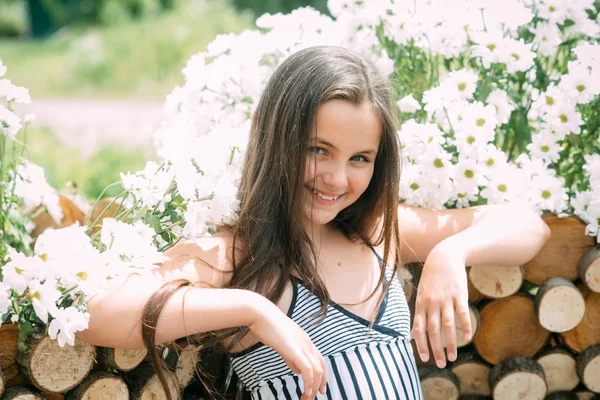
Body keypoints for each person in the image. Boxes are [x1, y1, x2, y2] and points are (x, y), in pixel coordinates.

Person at [78, 46, 550, 400]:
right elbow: (97, 313)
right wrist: (252, 309)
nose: (337, 178)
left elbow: (529, 227)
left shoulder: (378, 232)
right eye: (317, 149)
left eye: (360, 158)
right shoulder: (238, 255)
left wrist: (451, 252)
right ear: (272, 133)